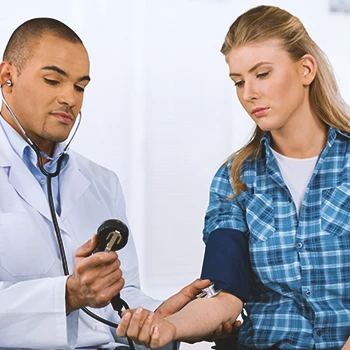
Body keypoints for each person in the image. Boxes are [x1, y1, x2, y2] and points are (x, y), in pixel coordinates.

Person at [116, 5, 350, 350]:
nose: (248, 93)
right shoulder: (235, 178)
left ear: (306, 69)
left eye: (263, 74)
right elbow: (225, 293)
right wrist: (167, 327)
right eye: (238, 81)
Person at [0, 17, 215, 350]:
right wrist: (68, 295)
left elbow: (120, 294)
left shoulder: (102, 183)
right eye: (53, 80)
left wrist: (163, 317)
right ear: (7, 77)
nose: (69, 98)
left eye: (79, 86)